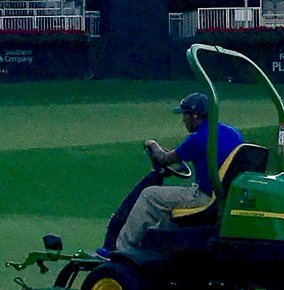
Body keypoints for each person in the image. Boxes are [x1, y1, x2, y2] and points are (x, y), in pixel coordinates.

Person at [104, 92, 243, 257]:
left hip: (206, 197)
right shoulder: (233, 133)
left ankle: (120, 250)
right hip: (226, 198)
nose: (183, 119)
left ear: (195, 115)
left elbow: (165, 158)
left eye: (185, 114)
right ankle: (160, 252)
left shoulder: (198, 139)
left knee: (150, 195)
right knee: (167, 209)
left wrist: (152, 144)